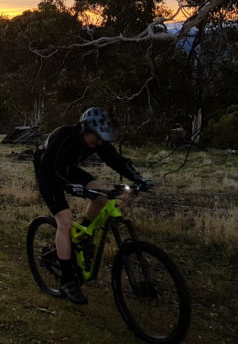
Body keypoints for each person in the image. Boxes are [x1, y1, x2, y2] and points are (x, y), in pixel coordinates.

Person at [33, 107, 152, 305]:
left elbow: (116, 161)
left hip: (69, 170)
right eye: (96, 138)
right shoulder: (63, 135)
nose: (99, 143)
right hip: (47, 173)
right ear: (83, 129)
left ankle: (85, 235)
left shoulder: (99, 141)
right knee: (65, 221)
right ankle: (67, 280)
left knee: (102, 197)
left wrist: (138, 178)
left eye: (103, 139)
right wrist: (70, 187)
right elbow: (47, 168)